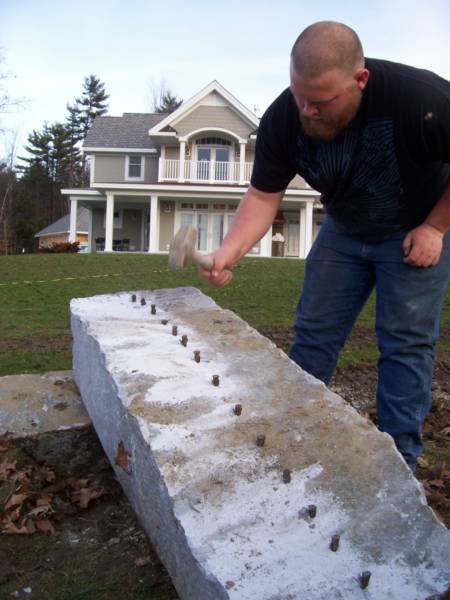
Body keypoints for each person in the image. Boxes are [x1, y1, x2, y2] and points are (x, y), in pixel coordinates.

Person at [201, 21, 450, 471]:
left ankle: (399, 464)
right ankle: (289, 440)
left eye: (320, 101)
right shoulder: (282, 119)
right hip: (344, 228)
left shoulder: (422, 99)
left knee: (405, 345)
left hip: (416, 228)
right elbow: (262, 196)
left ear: (361, 80)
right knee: (313, 336)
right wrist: (229, 251)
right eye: (300, 96)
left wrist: (435, 226)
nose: (308, 111)